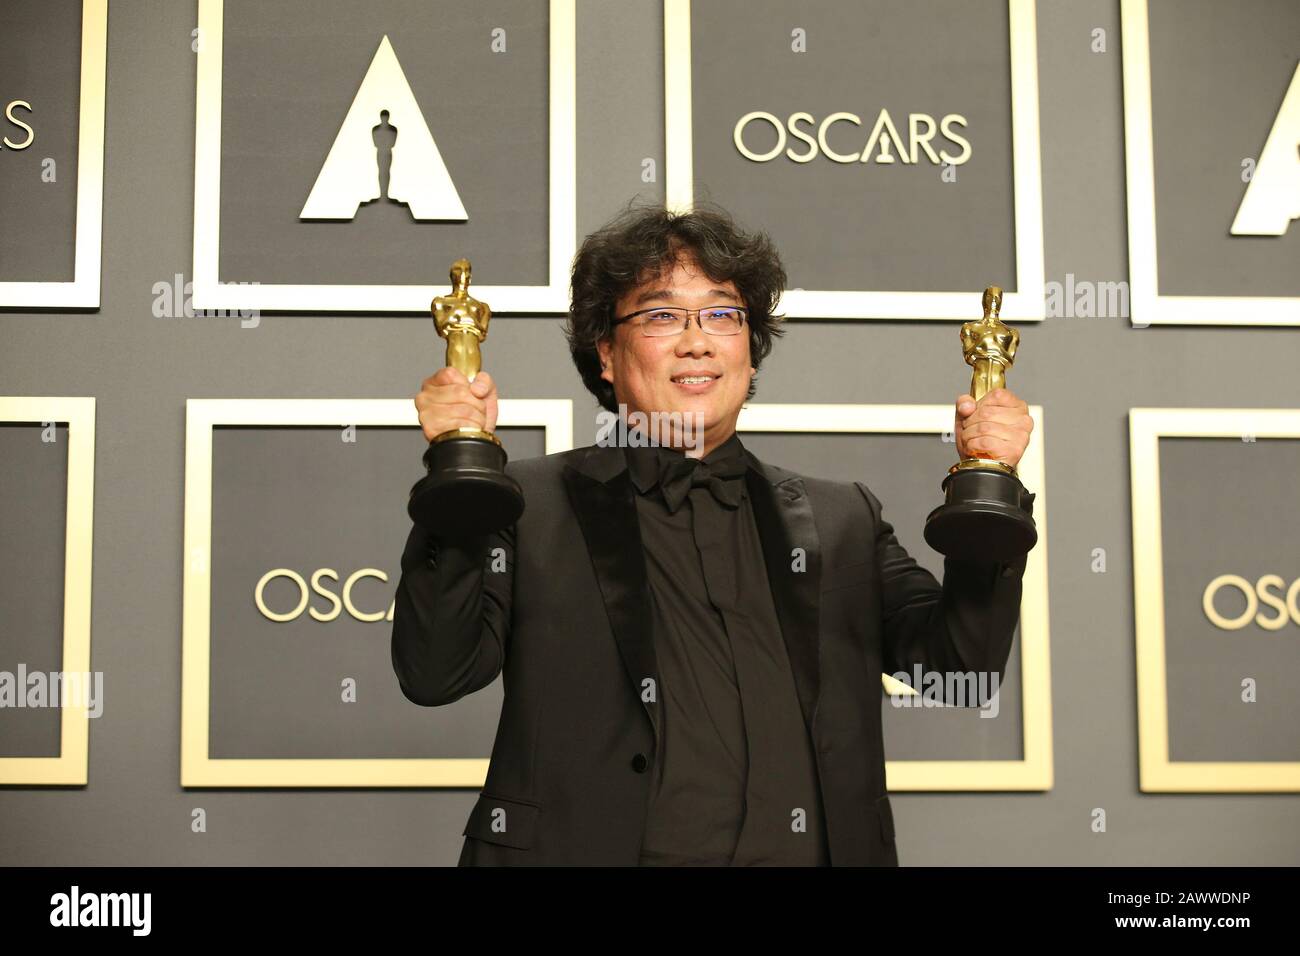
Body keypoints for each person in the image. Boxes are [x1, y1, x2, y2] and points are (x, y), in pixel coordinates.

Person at [391, 203, 1034, 866]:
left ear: (750, 354)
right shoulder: (529, 505)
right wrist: (458, 477)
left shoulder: (843, 519)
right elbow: (436, 672)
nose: (697, 340)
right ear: (606, 354)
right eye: (662, 314)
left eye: (723, 314)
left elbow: (964, 669)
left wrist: (992, 485)